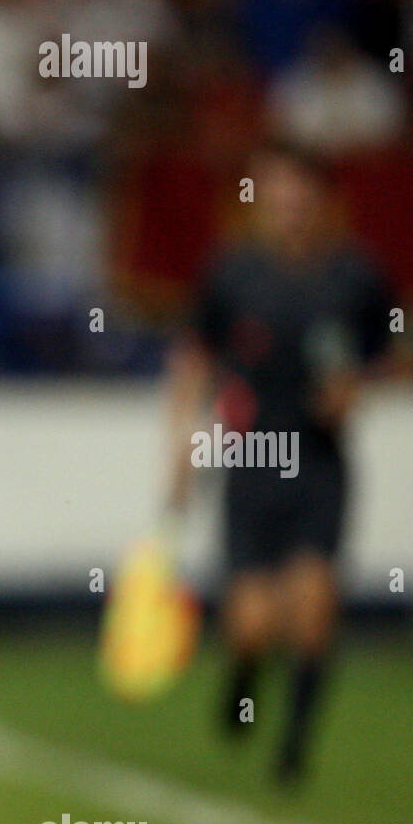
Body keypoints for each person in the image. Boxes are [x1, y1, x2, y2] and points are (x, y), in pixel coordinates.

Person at [166, 141, 394, 784]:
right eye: (275, 195)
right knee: (250, 625)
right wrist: (185, 442)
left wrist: (356, 386)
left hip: (321, 466)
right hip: (251, 464)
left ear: (320, 202)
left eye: (300, 196)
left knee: (314, 608)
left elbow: (386, 349)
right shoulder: (234, 273)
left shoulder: (354, 275)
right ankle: (241, 683)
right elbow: (194, 356)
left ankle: (293, 753)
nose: (289, 209)